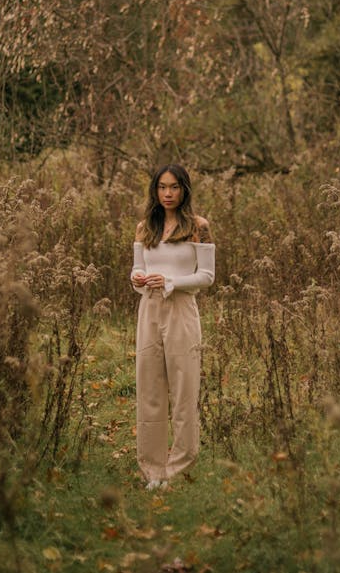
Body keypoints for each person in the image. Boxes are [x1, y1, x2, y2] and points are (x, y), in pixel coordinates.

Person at [130, 163, 215, 491]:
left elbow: (207, 277)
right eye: (162, 187)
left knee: (183, 389)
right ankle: (152, 469)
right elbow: (137, 269)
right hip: (149, 309)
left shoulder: (198, 226)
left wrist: (171, 282)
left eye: (174, 187)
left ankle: (177, 467)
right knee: (149, 389)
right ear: (155, 190)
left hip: (181, 310)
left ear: (184, 190)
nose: (168, 193)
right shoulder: (144, 227)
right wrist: (138, 279)